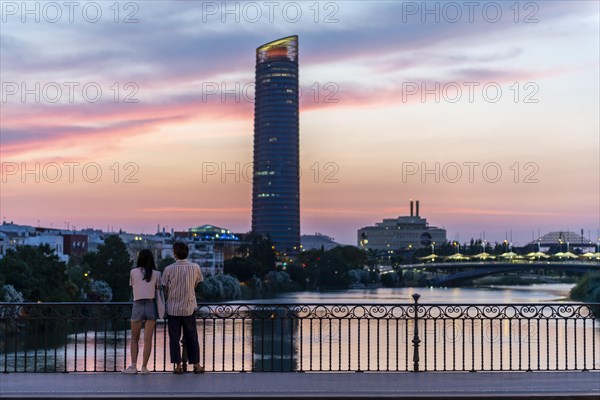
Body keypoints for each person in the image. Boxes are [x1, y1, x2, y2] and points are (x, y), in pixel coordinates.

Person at [162, 241, 204, 374]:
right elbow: (196, 284)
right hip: (189, 307)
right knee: (192, 337)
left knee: (174, 338)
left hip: (173, 308)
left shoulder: (168, 269)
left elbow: (165, 287)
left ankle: (178, 365)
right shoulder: (195, 267)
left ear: (175, 253)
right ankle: (196, 365)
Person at [123, 249, 161, 375]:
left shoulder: (133, 272)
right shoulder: (156, 273)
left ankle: (133, 366)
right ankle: (144, 367)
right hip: (150, 305)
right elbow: (158, 289)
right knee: (148, 339)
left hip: (138, 305)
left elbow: (132, 285)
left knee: (134, 339)